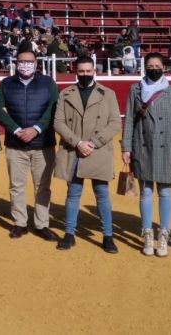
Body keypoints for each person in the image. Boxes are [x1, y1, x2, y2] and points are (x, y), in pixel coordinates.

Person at [53, 56, 121, 253]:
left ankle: (108, 236)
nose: (84, 75)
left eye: (88, 71)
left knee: (102, 195)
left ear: (94, 71)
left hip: (97, 150)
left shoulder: (108, 94)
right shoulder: (66, 93)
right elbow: (58, 122)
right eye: (81, 71)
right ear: (76, 72)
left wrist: (93, 142)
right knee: (73, 194)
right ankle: (69, 234)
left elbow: (115, 123)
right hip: (75, 150)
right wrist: (78, 142)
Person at [122, 52, 171, 257]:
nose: (154, 68)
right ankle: (147, 234)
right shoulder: (135, 89)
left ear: (164, 67)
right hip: (143, 146)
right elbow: (130, 120)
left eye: (157, 65)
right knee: (146, 192)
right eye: (150, 65)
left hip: (167, 147)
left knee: (165, 192)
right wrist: (126, 148)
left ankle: (164, 234)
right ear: (144, 67)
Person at [0, 47, 59, 241]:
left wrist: (36, 128)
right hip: (15, 143)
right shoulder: (6, 84)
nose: (26, 65)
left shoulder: (48, 83)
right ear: (16, 63)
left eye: (30, 61)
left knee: (43, 186)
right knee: (17, 186)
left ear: (36, 64)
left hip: (43, 143)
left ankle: (42, 224)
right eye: (22, 61)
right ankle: (20, 223)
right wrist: (15, 129)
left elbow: (53, 108)